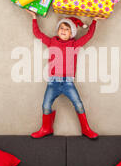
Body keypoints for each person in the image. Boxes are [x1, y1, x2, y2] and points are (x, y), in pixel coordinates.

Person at [27, 10, 104, 139]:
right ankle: (46, 128)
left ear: (72, 33)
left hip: (68, 83)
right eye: (61, 27)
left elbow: (89, 36)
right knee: (45, 105)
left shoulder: (74, 44)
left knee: (78, 104)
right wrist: (34, 17)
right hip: (53, 82)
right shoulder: (51, 42)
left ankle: (86, 129)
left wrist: (94, 21)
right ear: (58, 30)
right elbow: (37, 34)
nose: (63, 30)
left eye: (67, 29)